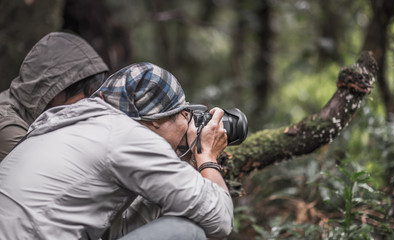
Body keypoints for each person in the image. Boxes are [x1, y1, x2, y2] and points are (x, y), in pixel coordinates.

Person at [0, 62, 234, 239]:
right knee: (185, 232)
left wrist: (184, 164)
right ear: (155, 120)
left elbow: (115, 231)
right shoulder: (127, 136)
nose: (188, 120)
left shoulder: (67, 121)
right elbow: (220, 219)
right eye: (183, 113)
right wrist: (207, 156)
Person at [0, 32, 109, 161]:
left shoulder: (47, 120)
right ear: (55, 91)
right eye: (86, 95)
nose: (89, 105)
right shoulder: (8, 128)